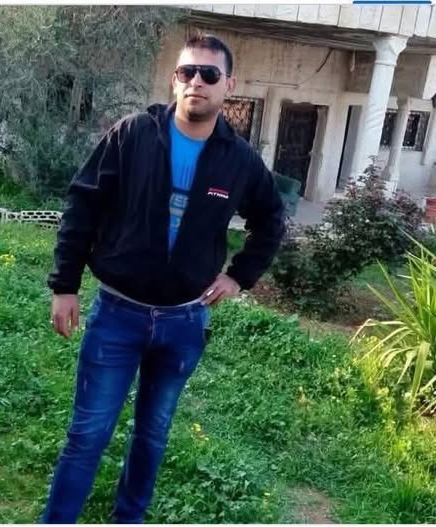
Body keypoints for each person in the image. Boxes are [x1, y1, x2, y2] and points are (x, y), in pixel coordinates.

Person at [42, 33, 285, 524]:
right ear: (175, 80)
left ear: (229, 85)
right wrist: (65, 285)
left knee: (152, 435)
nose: (197, 82)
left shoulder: (239, 160)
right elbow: (82, 206)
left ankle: (128, 518)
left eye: (209, 74)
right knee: (87, 434)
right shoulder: (132, 135)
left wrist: (239, 277)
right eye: (186, 72)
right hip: (117, 314)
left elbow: (271, 219)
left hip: (183, 323)